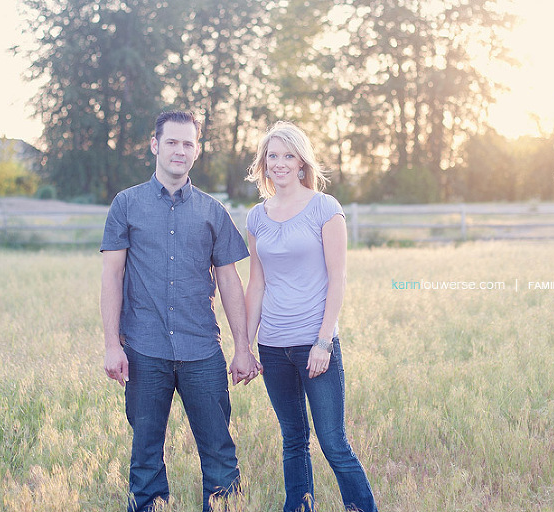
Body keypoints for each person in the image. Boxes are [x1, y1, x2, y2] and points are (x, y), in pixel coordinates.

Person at [101, 110, 262, 512]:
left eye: (188, 143)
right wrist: (111, 345)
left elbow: (229, 282)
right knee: (145, 457)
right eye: (171, 142)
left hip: (202, 351)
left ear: (196, 151)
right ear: (155, 146)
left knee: (220, 454)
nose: (179, 150)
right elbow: (111, 276)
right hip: (143, 349)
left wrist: (243, 348)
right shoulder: (126, 204)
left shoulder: (213, 212)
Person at [244, 121, 378, 512]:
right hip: (272, 346)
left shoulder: (325, 208)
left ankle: (361, 507)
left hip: (315, 344)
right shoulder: (256, 217)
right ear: (264, 164)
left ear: (302, 163)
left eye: (289, 156)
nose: (280, 163)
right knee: (293, 439)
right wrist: (246, 346)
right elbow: (256, 284)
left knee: (333, 441)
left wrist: (324, 341)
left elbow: (338, 279)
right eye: (273, 156)